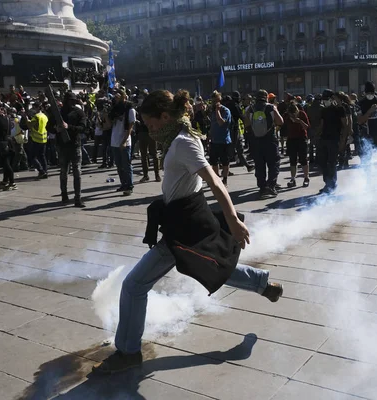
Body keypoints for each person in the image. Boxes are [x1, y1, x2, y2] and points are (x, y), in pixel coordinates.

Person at [92, 89, 283, 375]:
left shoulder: (183, 142)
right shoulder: (177, 138)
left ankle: (129, 352)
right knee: (212, 265)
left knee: (134, 285)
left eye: (152, 124)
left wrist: (232, 219)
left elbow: (216, 181)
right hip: (183, 219)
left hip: (184, 223)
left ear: (165, 116)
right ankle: (263, 285)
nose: (150, 129)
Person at [51, 92, 88, 207]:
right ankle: (64, 195)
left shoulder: (78, 112)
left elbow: (83, 127)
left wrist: (69, 127)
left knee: (77, 172)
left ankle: (77, 198)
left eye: (73, 101)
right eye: (69, 101)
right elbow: (49, 125)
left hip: (75, 144)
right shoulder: (59, 112)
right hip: (62, 146)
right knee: (63, 172)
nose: (71, 103)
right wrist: (55, 128)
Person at [245, 89, 284, 199]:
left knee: (259, 165)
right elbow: (280, 121)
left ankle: (262, 188)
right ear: (266, 97)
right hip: (270, 140)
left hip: (256, 141)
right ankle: (271, 187)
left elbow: (246, 124)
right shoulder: (271, 107)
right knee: (274, 163)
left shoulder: (250, 108)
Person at [357, 82, 377, 182]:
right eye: (368, 93)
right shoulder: (360, 103)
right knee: (366, 157)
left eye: (372, 92)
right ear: (365, 93)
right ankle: (368, 180)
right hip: (366, 134)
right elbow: (360, 120)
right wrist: (370, 111)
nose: (370, 95)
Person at [318, 89, 349, 194]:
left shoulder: (340, 109)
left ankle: (332, 184)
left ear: (332, 99)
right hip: (324, 139)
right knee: (322, 162)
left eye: (326, 99)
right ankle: (327, 183)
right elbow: (322, 125)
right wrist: (315, 136)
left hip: (334, 139)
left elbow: (345, 125)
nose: (324, 101)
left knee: (331, 163)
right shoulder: (324, 110)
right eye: (323, 100)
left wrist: (343, 141)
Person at [109, 90, 136, 195]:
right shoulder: (115, 109)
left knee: (126, 165)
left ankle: (129, 185)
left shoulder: (130, 109)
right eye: (115, 95)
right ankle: (123, 184)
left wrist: (124, 141)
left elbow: (130, 126)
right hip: (114, 140)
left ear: (124, 95)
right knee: (119, 165)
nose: (116, 97)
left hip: (124, 141)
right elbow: (108, 124)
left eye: (118, 94)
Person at [209, 91, 233, 187]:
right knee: (214, 161)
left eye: (216, 100)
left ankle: (225, 180)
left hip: (224, 141)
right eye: (213, 101)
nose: (215, 103)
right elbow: (213, 124)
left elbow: (221, 123)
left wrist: (218, 111)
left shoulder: (225, 111)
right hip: (214, 140)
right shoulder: (212, 111)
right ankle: (217, 179)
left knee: (225, 162)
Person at [284, 103, 310, 188]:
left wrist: (300, 121)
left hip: (301, 138)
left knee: (303, 159)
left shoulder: (302, 114)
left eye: (294, 114)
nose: (293, 116)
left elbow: (307, 127)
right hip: (291, 139)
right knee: (292, 160)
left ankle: (306, 178)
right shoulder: (286, 116)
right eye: (291, 114)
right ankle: (293, 179)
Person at [25, 102, 49, 179]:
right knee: (42, 156)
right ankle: (45, 172)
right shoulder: (44, 116)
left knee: (32, 157)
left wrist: (26, 119)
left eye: (34, 108)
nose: (33, 110)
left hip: (36, 139)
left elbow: (29, 125)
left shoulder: (36, 117)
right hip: (44, 138)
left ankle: (41, 171)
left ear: (38, 108)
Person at [137, 114, 161, 183]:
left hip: (151, 131)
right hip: (142, 132)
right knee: (143, 155)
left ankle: (157, 175)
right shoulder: (140, 109)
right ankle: (145, 175)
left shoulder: (151, 108)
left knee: (154, 154)